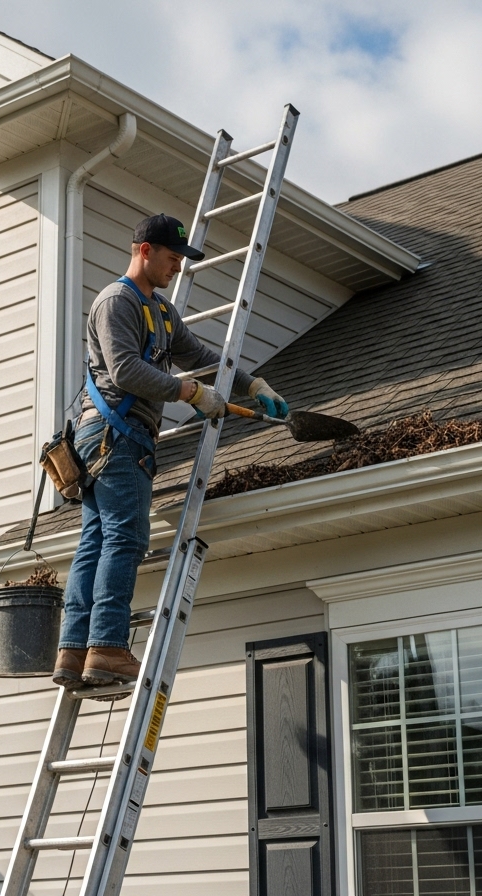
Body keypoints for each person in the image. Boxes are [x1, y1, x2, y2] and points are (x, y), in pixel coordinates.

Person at [53, 214, 289, 689]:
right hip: (114, 435)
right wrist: (190, 394)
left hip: (116, 437)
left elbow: (202, 358)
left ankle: (75, 651)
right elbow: (124, 371)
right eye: (172, 257)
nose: (177, 267)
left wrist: (250, 383)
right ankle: (107, 648)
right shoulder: (116, 301)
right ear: (144, 250)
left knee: (97, 542)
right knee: (124, 538)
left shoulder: (160, 312)